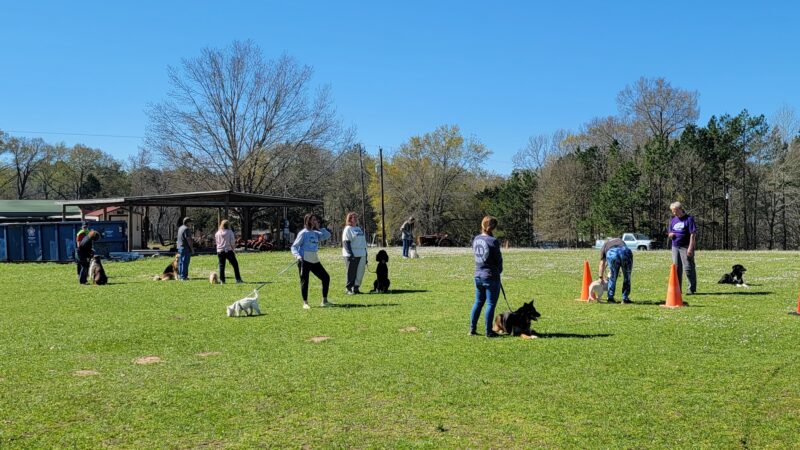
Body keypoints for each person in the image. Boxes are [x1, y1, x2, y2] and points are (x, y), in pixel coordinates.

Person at [469, 216, 503, 338]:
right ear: (493, 227)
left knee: (478, 302)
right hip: (490, 276)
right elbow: (498, 259)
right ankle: (489, 331)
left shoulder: (476, 239)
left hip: (478, 275)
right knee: (490, 304)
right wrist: (499, 270)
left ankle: (472, 329)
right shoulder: (493, 241)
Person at [291, 213, 332, 309]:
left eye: (316, 220)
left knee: (326, 277)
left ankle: (324, 301)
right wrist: (297, 256)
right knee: (305, 281)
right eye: (313, 220)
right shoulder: (303, 233)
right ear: (308, 221)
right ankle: (305, 303)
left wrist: (319, 228)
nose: (315, 221)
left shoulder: (316, 233)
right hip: (304, 259)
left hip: (314, 259)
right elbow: (294, 247)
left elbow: (326, 236)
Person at [668, 201, 697, 294]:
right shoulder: (673, 220)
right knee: (676, 268)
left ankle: (691, 288)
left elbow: (693, 235)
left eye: (675, 211)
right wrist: (670, 235)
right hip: (675, 247)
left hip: (685, 247)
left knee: (688, 267)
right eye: (672, 211)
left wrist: (690, 248)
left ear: (680, 209)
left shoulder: (689, 219)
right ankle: (678, 289)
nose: (674, 213)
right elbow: (670, 232)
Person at [598, 237, 633, 304]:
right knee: (627, 277)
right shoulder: (620, 240)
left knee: (612, 277)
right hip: (625, 251)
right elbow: (623, 249)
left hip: (612, 253)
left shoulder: (605, 245)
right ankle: (625, 299)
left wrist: (600, 277)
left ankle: (610, 298)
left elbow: (602, 263)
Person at [342, 212, 368, 294]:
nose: (356, 219)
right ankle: (348, 288)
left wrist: (366, 254)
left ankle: (356, 288)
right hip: (352, 254)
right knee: (351, 272)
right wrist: (350, 254)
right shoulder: (348, 229)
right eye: (354, 217)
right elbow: (346, 242)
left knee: (360, 272)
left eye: (356, 217)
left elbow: (363, 242)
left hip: (362, 253)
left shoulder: (358, 229)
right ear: (350, 219)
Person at [215, 219, 243, 284]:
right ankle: (238, 279)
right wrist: (233, 249)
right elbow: (232, 242)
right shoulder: (230, 232)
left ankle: (222, 280)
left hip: (220, 251)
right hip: (228, 250)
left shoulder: (217, 233)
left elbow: (217, 242)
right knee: (235, 265)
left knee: (221, 266)